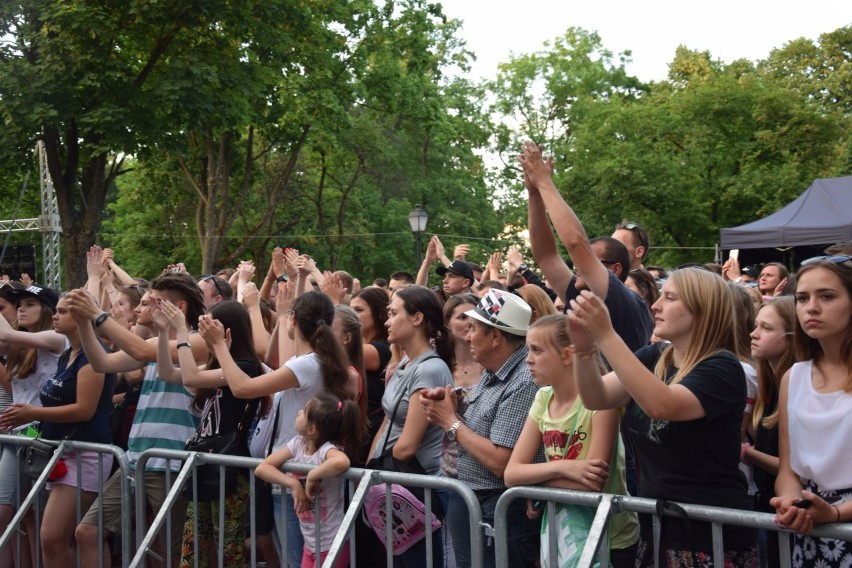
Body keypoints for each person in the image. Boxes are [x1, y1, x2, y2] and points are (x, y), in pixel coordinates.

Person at [569, 267, 758, 567]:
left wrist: (606, 334)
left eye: (670, 298)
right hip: (658, 525)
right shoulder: (653, 356)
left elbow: (663, 405)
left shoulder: (723, 367)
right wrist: (583, 350)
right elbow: (596, 398)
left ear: (702, 308)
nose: (656, 305)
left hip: (710, 533)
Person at [200, 289, 356, 568]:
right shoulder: (316, 362)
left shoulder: (306, 365)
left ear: (294, 320)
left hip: (295, 475)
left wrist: (220, 347)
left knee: (295, 561)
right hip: (297, 473)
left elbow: (241, 388)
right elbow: (282, 360)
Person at [68, 274, 206, 567]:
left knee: (171, 552)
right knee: (87, 532)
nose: (144, 307)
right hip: (135, 459)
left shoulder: (197, 340)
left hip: (173, 462)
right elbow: (102, 363)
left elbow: (142, 351)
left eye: (152, 301)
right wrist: (83, 322)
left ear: (179, 307)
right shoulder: (155, 341)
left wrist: (97, 314)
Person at [504, 314, 639, 568]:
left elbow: (591, 483)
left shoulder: (601, 401)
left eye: (536, 350)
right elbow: (511, 474)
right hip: (564, 531)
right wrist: (563, 468)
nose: (528, 359)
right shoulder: (543, 398)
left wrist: (535, 481)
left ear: (566, 356)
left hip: (610, 536)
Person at [421, 289, 540, 568]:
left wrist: (450, 421)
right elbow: (483, 423)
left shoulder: (523, 380)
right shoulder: (493, 369)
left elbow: (501, 462)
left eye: (474, 328)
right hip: (476, 502)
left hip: (497, 508)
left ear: (496, 336)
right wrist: (455, 405)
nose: (467, 336)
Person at [0, 294, 115, 566]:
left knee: (56, 536)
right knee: (53, 538)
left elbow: (84, 410)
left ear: (79, 318)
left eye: (62, 311)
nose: (55, 316)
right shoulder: (67, 356)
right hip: (59, 454)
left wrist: (33, 413)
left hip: (84, 454)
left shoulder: (91, 356)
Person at [154, 299, 267, 567]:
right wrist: (162, 332)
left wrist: (182, 332)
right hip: (206, 463)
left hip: (230, 469)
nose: (203, 331)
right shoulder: (221, 365)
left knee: (228, 547)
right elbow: (169, 373)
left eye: (209, 324)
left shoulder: (246, 367)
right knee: (194, 544)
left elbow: (191, 378)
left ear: (228, 330)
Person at [364, 285, 455, 567]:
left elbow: (406, 446)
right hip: (393, 483)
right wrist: (368, 471)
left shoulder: (429, 368)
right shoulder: (405, 363)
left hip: (416, 489)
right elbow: (389, 421)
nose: (387, 321)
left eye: (393, 313)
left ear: (417, 319)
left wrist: (374, 471)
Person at [770, 256, 852, 568]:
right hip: (811, 529)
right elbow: (788, 469)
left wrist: (834, 513)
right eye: (802, 298)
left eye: (827, 296)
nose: (811, 307)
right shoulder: (795, 375)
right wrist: (792, 502)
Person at [256, 393, 365, 568]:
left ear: (312, 429)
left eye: (304, 412)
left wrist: (313, 475)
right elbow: (262, 468)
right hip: (311, 545)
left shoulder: (325, 450)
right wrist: (293, 484)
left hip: (333, 544)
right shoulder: (298, 444)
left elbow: (342, 461)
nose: (299, 412)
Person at [0, 284, 65, 566]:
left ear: (48, 311)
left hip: (45, 437)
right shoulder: (19, 344)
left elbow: (3, 334)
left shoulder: (57, 338)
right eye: (20, 304)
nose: (21, 309)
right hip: (17, 437)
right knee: (16, 514)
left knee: (41, 520)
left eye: (30, 304)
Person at [741, 296, 797, 568]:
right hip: (771, 512)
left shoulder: (798, 390)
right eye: (755, 325)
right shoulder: (769, 387)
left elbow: (794, 469)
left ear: (792, 337)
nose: (754, 333)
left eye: (766, 328)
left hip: (794, 520)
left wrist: (746, 454)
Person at [349, 287, 391, 442]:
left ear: (379, 314)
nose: (352, 315)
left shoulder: (382, 349)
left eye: (358, 310)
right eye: (350, 310)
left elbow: (333, 347)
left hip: (368, 435)